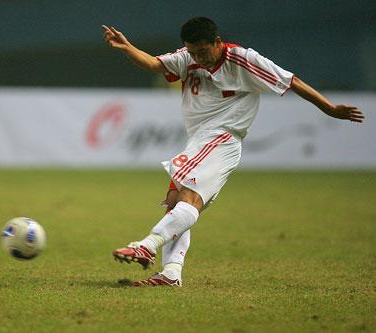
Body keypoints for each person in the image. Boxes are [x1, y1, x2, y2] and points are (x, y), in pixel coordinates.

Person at [101, 17, 364, 287]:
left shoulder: (244, 59)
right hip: (200, 141)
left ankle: (147, 245)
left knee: (187, 200)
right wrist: (128, 47)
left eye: (203, 51)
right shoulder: (186, 58)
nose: (198, 58)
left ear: (217, 42)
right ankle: (171, 273)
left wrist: (328, 108)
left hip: (222, 138)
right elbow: (155, 64)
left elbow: (290, 81)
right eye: (193, 52)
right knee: (176, 203)